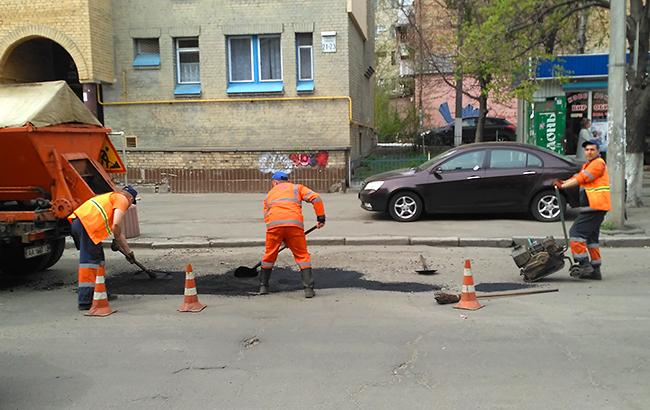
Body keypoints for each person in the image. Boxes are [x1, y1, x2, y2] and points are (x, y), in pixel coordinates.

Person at [68, 186, 138, 310]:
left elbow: (118, 231)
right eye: (131, 203)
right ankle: (85, 300)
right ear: (130, 198)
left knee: (98, 258)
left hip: (81, 224)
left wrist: (128, 253)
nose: (128, 207)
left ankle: (99, 293)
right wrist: (117, 241)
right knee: (89, 263)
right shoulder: (122, 199)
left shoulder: (111, 197)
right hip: (86, 226)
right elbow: (116, 224)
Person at [259, 171, 326, 298]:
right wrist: (321, 218)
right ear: (287, 181)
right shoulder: (297, 188)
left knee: (269, 255)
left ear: (275, 182)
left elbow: (267, 215)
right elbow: (316, 198)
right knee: (302, 256)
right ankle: (308, 289)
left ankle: (263, 286)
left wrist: (280, 236)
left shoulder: (269, 194)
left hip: (274, 227)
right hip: (294, 226)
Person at [555, 139, 611, 280]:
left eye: (592, 149)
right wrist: (563, 182)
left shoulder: (598, 163)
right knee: (592, 239)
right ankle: (595, 270)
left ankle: (585, 266)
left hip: (595, 206)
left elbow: (582, 178)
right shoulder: (589, 164)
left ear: (598, 151)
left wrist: (563, 186)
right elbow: (577, 177)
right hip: (593, 206)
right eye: (587, 150)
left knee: (576, 234)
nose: (589, 152)